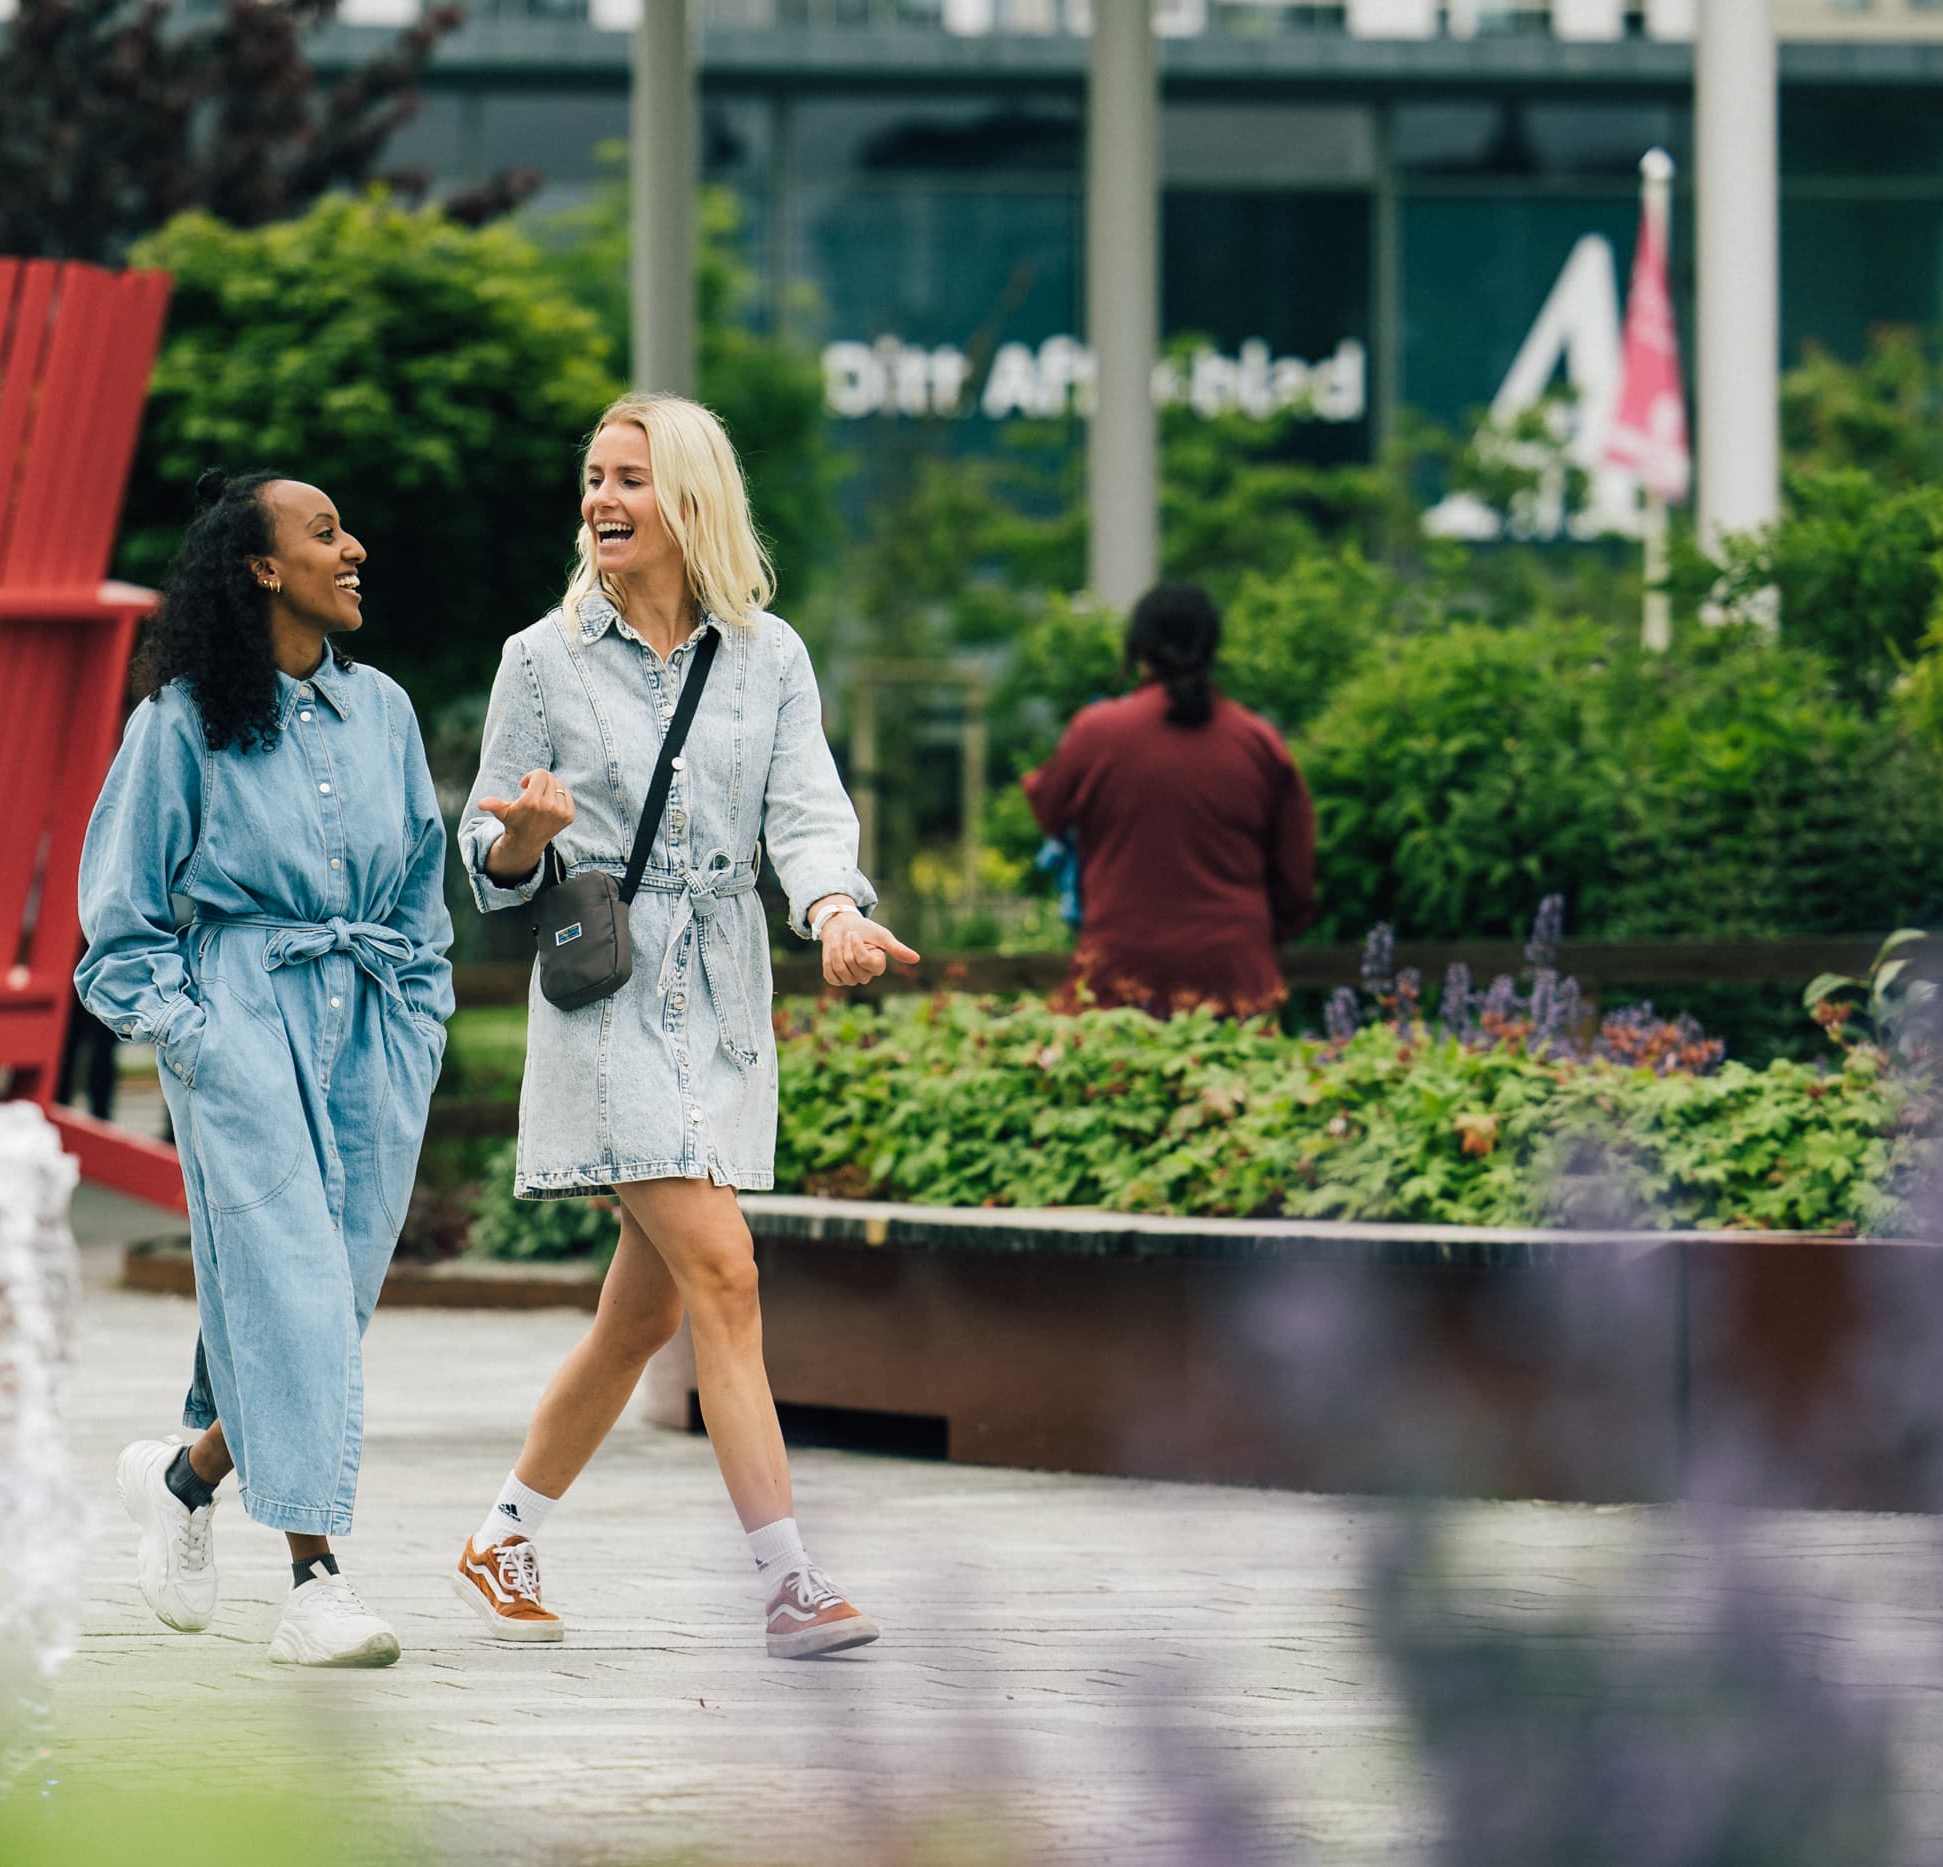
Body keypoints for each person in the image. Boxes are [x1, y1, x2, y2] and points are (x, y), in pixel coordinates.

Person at [453, 393, 917, 1660]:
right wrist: (521, 839)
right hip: (606, 994)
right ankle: (791, 1581)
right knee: (725, 1272)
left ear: (692, 501)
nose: (602, 499)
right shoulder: (538, 659)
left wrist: (833, 910)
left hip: (721, 1001)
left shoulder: (770, 657)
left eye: (630, 480)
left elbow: (808, 814)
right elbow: (485, 847)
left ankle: (501, 1533)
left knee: (642, 1316)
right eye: (594, 478)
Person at [76, 470, 454, 1668]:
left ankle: (186, 1479)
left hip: (373, 1031)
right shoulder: (178, 723)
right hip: (243, 1023)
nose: (355, 549)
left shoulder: (384, 711)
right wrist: (201, 1040)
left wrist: (423, 1016)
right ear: (259, 567)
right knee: (289, 1284)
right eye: (325, 533)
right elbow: (118, 929)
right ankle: (314, 1583)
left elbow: (420, 890)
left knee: (321, 1298)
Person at [1022, 581, 1316, 1017]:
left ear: (1139, 649)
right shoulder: (1258, 741)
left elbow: (1047, 807)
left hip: (1119, 968)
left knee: (1110, 1082)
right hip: (1234, 973)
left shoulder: (1097, 732)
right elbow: (1295, 879)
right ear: (1212, 648)